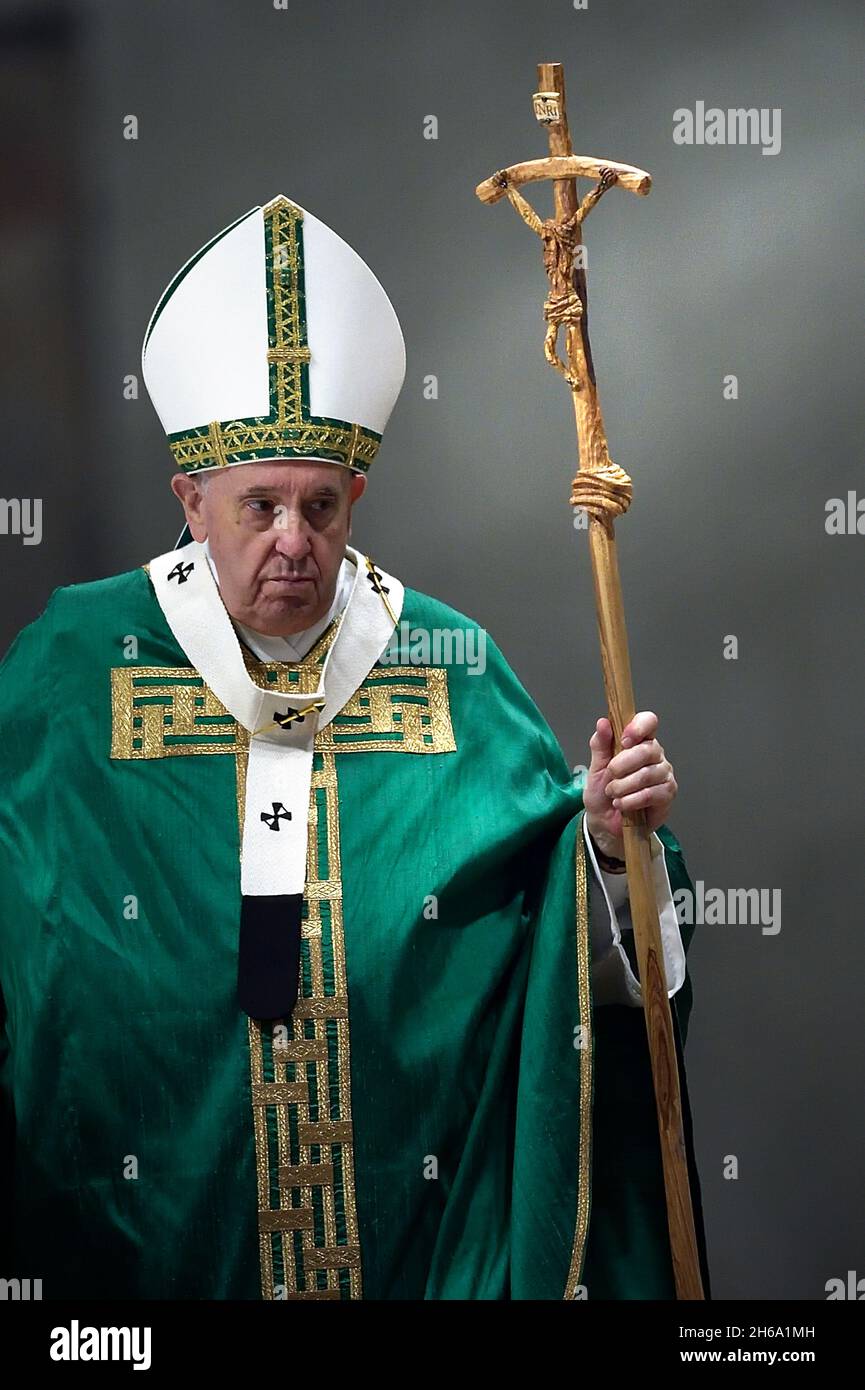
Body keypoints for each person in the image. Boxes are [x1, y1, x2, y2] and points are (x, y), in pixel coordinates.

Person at [0, 194, 710, 1300]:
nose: (294, 540)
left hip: (414, 1248)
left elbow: (554, 949)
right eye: (260, 505)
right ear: (190, 500)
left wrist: (611, 851)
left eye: (321, 506)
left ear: (357, 496)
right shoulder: (72, 672)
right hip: (148, 1249)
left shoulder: (443, 663)